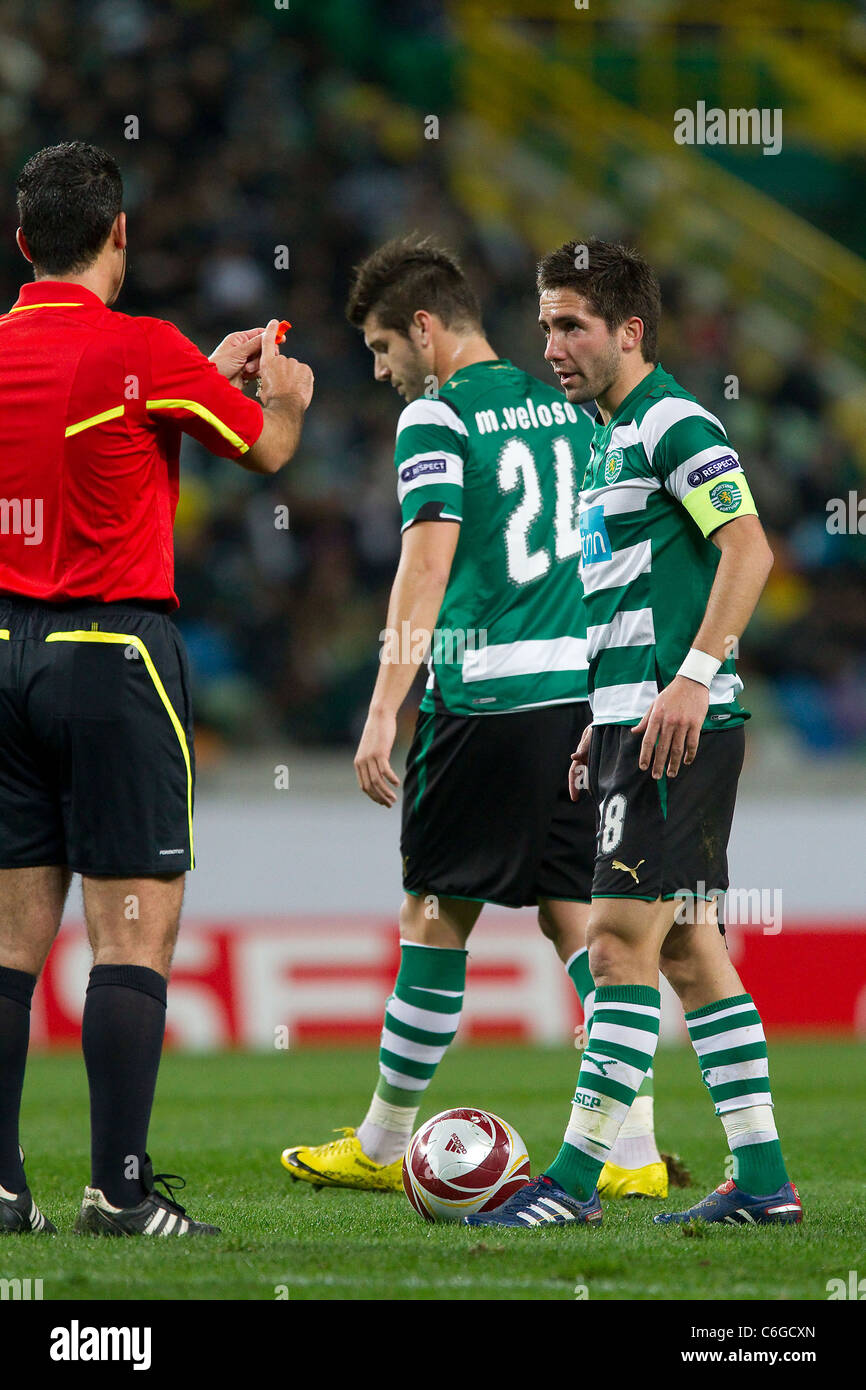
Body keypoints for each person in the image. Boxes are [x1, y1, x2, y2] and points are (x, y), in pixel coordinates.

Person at [280, 235, 672, 1200]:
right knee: (578, 921)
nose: (380, 372)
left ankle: (379, 1144)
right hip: (583, 698)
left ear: (424, 327)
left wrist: (384, 710)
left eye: (380, 349)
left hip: (486, 696)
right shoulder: (578, 407)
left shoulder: (437, 415)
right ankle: (634, 1153)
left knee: (434, 915)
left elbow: (426, 565)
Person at [0, 141, 313, 1237]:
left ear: (24, 241)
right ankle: (118, 1190)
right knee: (131, 929)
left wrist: (197, 372)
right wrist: (289, 393)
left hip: (3, 650)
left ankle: (0, 1186)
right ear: (119, 235)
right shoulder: (143, 345)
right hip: (114, 651)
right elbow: (267, 451)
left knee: (8, 936)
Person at [467, 238, 801, 1229]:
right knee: (690, 954)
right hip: (628, 723)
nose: (552, 346)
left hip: (675, 730)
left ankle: (568, 1185)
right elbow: (630, 599)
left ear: (627, 330)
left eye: (571, 325)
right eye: (543, 327)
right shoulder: (604, 441)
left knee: (613, 948)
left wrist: (692, 679)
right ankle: (762, 1180)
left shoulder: (670, 422)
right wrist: (597, 711)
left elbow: (748, 549)